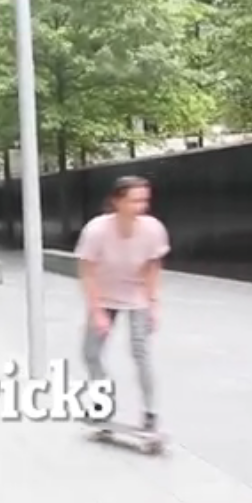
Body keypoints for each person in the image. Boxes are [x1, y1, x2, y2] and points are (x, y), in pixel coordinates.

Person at [74, 175, 170, 432]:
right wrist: (97, 312)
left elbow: (153, 267)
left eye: (144, 201)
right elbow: (87, 273)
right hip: (104, 295)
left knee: (141, 353)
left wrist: (153, 304)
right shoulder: (96, 231)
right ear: (116, 201)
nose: (141, 207)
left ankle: (150, 413)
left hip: (137, 296)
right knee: (90, 353)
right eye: (134, 201)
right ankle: (103, 403)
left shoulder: (153, 229)